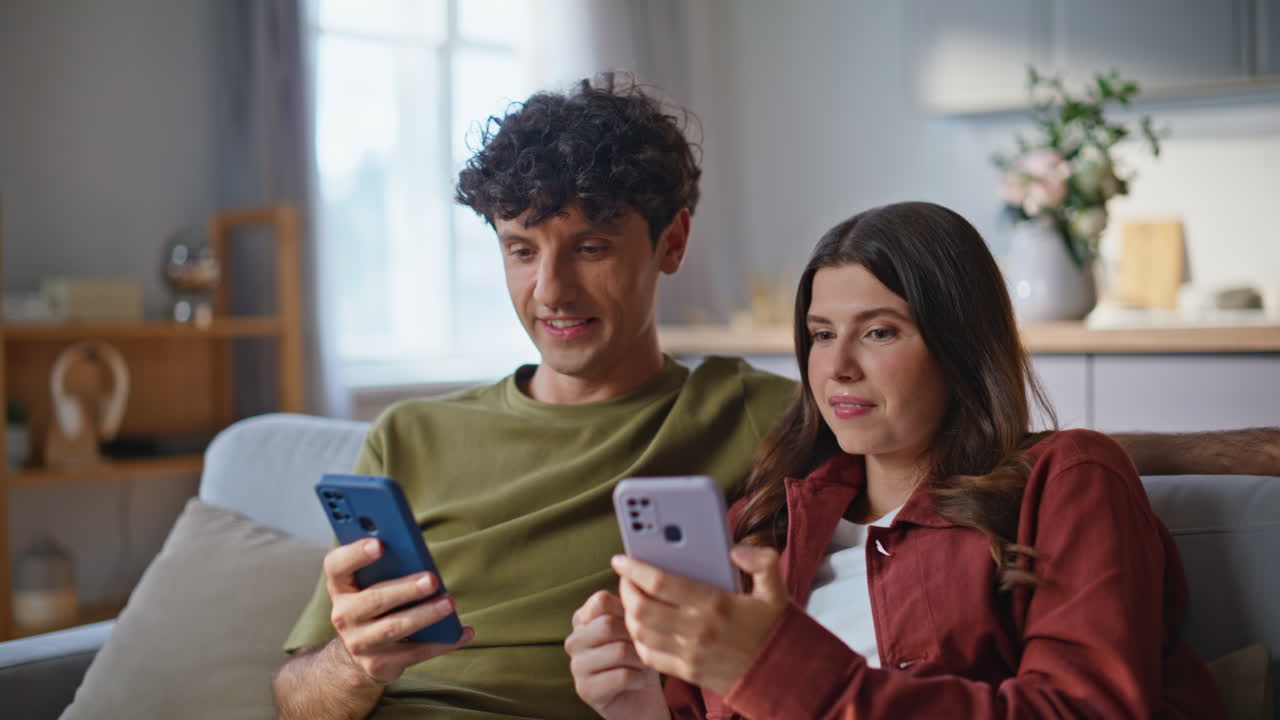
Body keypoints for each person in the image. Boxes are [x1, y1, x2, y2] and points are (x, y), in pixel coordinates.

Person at [274, 76, 1269, 719]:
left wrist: (1226, 450)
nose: (549, 292)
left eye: (588, 246)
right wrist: (354, 668)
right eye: (519, 249)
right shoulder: (405, 435)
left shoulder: (766, 429)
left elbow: (977, 446)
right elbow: (290, 691)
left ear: (670, 245)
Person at [565, 201, 1227, 719]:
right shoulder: (769, 523)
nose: (839, 367)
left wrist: (780, 670)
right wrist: (641, 709)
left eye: (879, 331)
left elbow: (1085, 711)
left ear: (958, 344)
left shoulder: (1067, 481)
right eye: (822, 335)